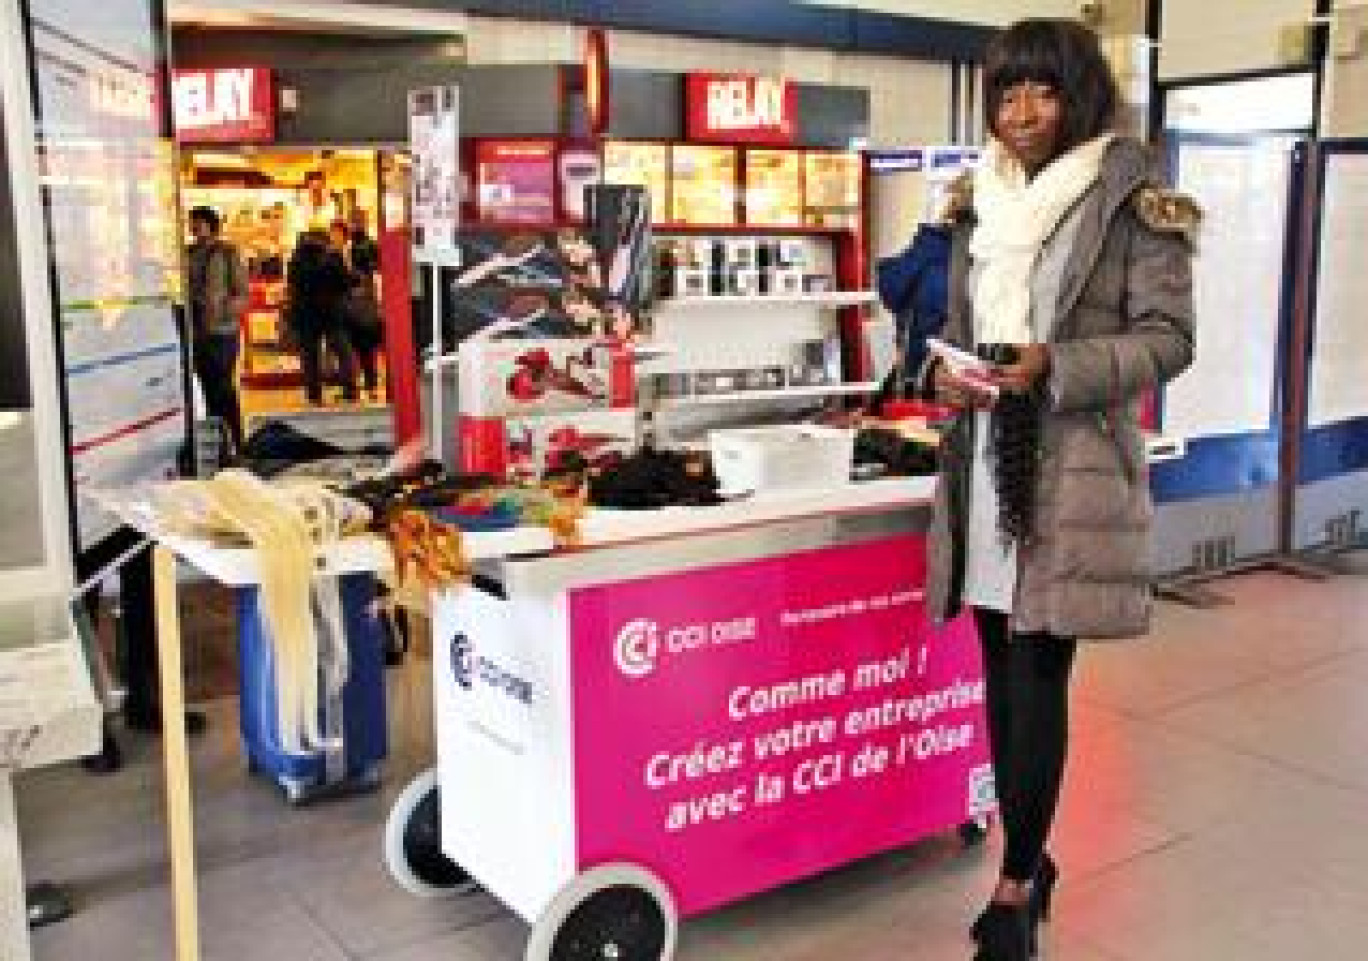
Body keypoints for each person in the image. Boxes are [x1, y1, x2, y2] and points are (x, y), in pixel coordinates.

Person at [916, 20, 1197, 961]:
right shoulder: (977, 201)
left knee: (1038, 678)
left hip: (1068, 470)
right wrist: (944, 379)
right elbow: (948, 323)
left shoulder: (1130, 199)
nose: (1021, 113)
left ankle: (1015, 885)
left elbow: (1169, 339)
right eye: (1005, 95)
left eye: (1040, 92)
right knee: (999, 672)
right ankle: (1031, 850)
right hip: (983, 468)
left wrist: (1057, 363)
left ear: (1076, 94)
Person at [186, 206, 248, 453]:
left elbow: (242, 292)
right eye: (192, 223)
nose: (193, 228)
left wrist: (222, 313)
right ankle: (219, 443)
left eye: (197, 223)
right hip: (197, 331)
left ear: (211, 225)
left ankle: (236, 437)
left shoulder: (227, 252)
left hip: (222, 332)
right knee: (206, 387)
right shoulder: (188, 253)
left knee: (222, 386)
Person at [287, 229, 358, 405]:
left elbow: (292, 284)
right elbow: (344, 283)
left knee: (310, 356)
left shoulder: (296, 260)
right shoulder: (333, 257)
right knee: (343, 351)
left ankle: (314, 395)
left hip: (305, 313)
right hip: (331, 312)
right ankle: (350, 390)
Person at [337, 216, 384, 399]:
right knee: (364, 347)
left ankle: (366, 384)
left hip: (359, 306)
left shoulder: (356, 248)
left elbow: (361, 275)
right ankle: (369, 384)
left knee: (360, 346)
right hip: (363, 306)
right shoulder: (363, 247)